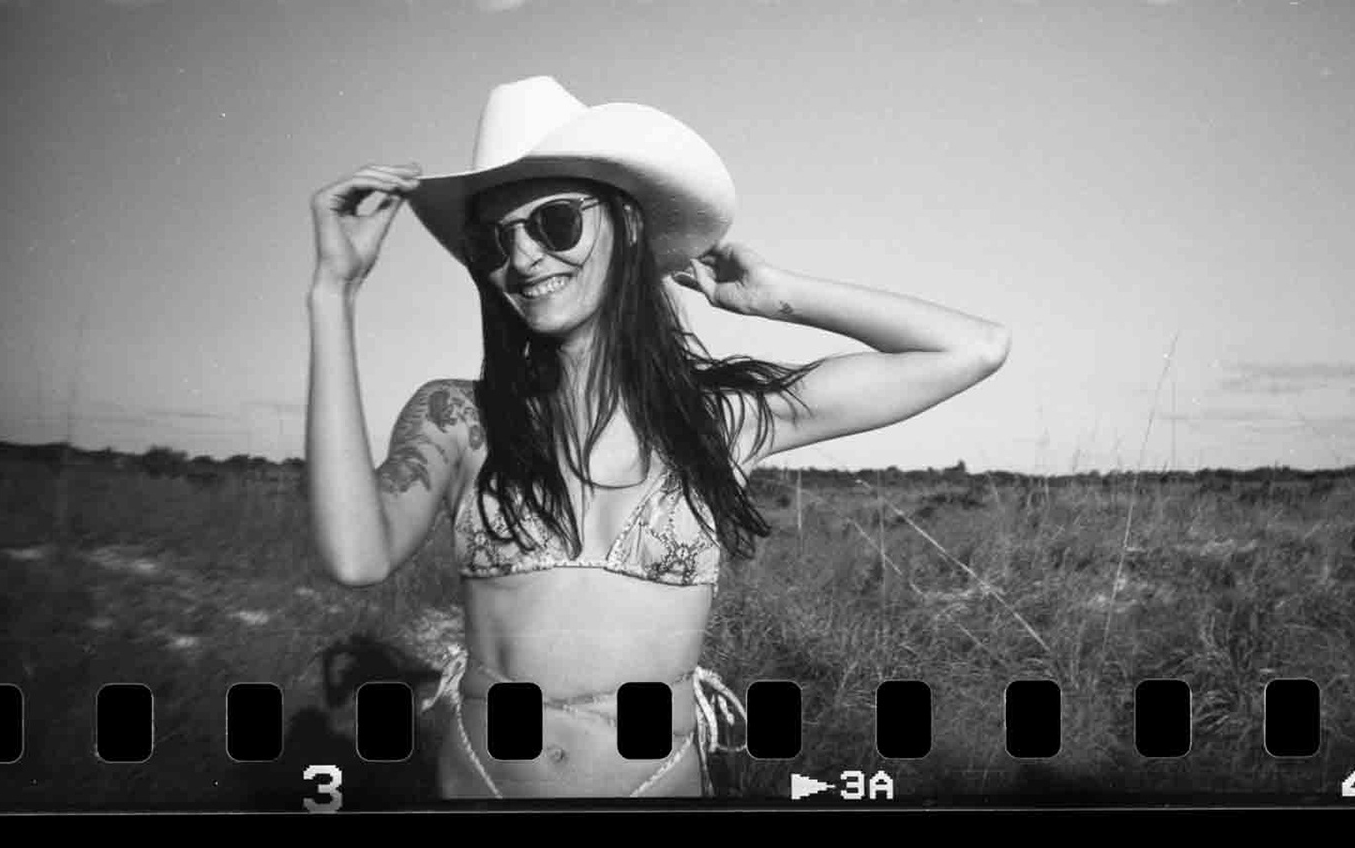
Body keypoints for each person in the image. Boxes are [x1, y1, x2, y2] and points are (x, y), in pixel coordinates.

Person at [305, 76, 1010, 798]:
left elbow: (973, 349)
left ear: (629, 226)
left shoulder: (719, 421)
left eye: (555, 222)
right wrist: (335, 291)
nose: (524, 258)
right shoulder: (458, 418)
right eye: (495, 239)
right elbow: (357, 557)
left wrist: (778, 296)